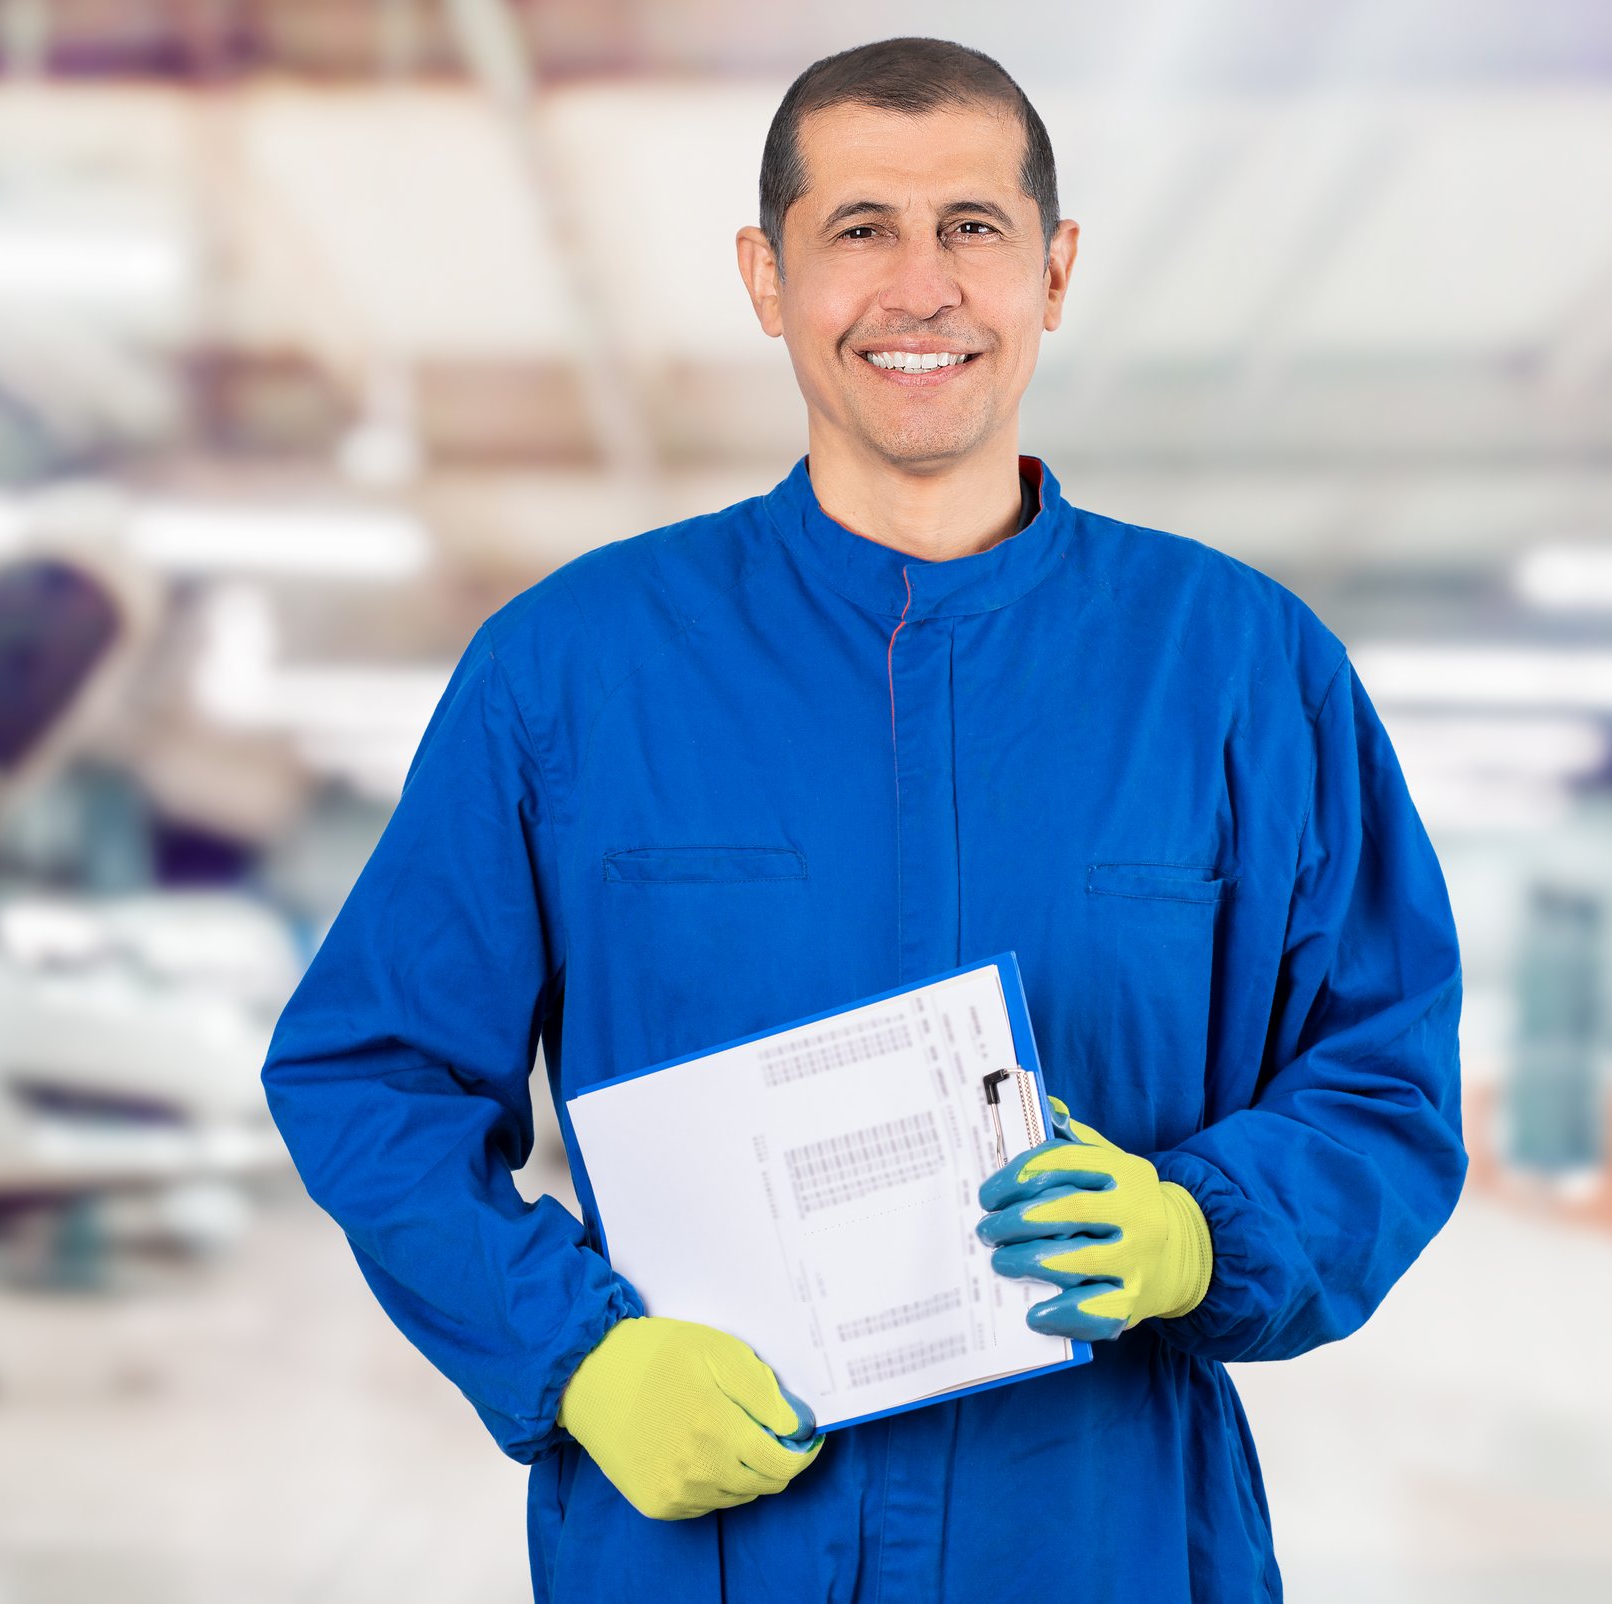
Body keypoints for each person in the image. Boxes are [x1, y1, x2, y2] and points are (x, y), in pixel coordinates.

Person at [262, 35, 1465, 1604]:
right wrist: (576, 1361)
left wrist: (1201, 1228)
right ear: (767, 278)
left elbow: (1385, 1080)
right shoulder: (575, 670)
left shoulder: (1242, 671)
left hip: (1101, 1541)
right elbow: (372, 1072)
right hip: (701, 1548)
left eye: (973, 227)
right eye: (859, 232)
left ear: (1056, 267)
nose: (922, 288)